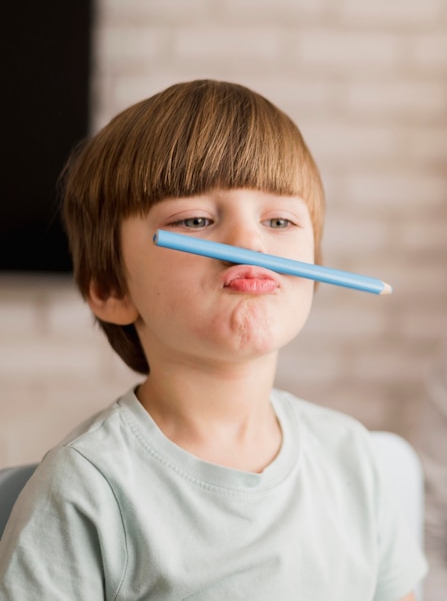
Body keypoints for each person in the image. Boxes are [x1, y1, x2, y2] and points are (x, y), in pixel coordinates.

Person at [0, 80, 427, 600]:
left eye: (280, 220)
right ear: (111, 288)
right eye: (197, 220)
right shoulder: (87, 488)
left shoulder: (353, 457)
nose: (250, 242)